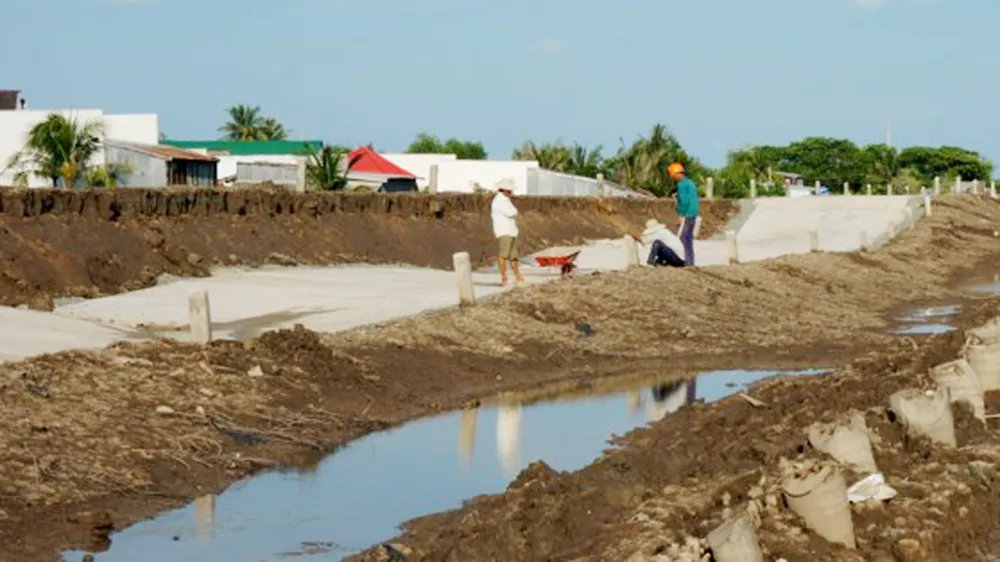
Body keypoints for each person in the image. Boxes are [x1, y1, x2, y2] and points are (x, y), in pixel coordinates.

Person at [491, 178, 524, 286]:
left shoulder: (506, 200)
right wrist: (514, 212)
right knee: (503, 255)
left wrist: (514, 212)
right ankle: (503, 277)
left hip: (512, 230)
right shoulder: (498, 201)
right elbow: (511, 212)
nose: (511, 193)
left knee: (514, 255)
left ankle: (517, 275)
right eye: (509, 191)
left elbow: (514, 211)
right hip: (504, 230)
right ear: (504, 190)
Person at [668, 162, 699, 266]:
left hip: (687, 214)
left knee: (682, 238)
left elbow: (684, 201)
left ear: (676, 174)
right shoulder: (690, 182)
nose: (673, 178)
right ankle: (690, 262)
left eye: (673, 176)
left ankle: (686, 262)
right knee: (688, 239)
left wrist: (680, 214)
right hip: (693, 213)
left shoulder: (681, 184)